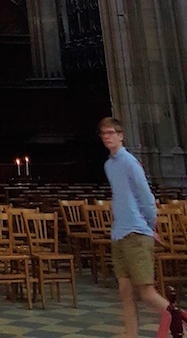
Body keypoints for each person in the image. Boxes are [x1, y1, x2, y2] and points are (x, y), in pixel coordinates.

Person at [99, 116, 168, 338]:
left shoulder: (130, 162)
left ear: (121, 136)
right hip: (119, 233)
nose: (107, 137)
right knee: (125, 292)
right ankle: (131, 334)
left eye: (111, 133)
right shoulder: (109, 165)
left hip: (136, 233)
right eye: (104, 133)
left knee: (147, 293)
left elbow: (146, 197)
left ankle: (180, 320)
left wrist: (149, 226)